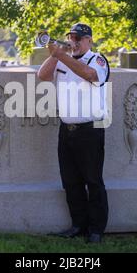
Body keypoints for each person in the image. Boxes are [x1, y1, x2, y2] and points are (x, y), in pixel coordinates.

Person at [37, 23, 109, 243]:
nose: (74, 41)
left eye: (79, 38)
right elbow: (42, 75)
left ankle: (96, 230)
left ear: (89, 40)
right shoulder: (62, 59)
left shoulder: (97, 59)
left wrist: (62, 55)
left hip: (90, 129)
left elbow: (90, 75)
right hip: (66, 129)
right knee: (70, 182)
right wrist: (55, 54)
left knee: (93, 181)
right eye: (71, 37)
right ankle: (78, 225)